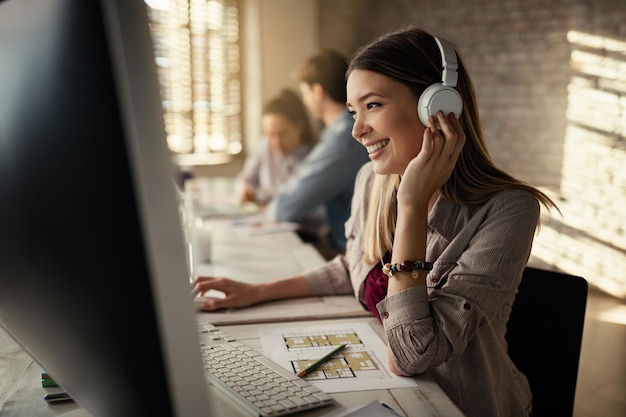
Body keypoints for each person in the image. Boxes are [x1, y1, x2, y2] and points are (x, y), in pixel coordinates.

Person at [193, 26, 558, 417]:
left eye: (373, 106)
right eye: (353, 111)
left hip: (460, 404)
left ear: (439, 106)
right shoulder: (373, 180)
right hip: (395, 392)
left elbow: (410, 356)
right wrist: (258, 292)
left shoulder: (508, 209)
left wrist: (413, 206)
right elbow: (355, 266)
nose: (356, 130)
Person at [264, 49, 370, 253]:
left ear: (318, 92)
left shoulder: (343, 138)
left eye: (305, 92)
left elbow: (285, 208)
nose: (305, 100)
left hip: (353, 254)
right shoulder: (343, 131)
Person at [236, 88, 316, 206]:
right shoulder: (264, 146)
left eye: (282, 134)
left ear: (299, 127)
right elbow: (245, 178)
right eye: (270, 134)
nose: (276, 142)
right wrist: (245, 189)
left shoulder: (315, 155)